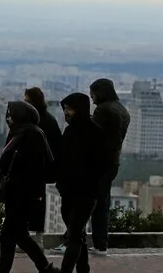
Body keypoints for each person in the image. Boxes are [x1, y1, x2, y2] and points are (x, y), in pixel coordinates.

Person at [0, 101, 60, 273]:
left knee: (8, 236)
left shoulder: (32, 134)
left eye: (11, 114)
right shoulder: (18, 132)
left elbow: (35, 168)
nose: (8, 118)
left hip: (23, 195)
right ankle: (46, 268)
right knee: (19, 235)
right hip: (14, 193)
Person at [56, 93, 108, 273]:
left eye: (70, 109)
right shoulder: (69, 131)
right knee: (78, 235)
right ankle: (83, 268)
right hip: (68, 193)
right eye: (65, 109)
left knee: (73, 236)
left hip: (86, 194)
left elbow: (102, 164)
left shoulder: (95, 133)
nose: (66, 113)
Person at [88, 78, 131, 256]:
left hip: (99, 162)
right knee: (103, 202)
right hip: (113, 162)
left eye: (93, 95)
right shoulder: (122, 109)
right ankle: (101, 243)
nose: (92, 100)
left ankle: (94, 242)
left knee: (92, 203)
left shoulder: (103, 110)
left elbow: (93, 135)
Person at [23, 87, 63, 249]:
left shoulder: (38, 121)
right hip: (40, 169)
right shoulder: (47, 119)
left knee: (33, 203)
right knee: (34, 203)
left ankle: (34, 240)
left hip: (36, 169)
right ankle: (33, 239)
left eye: (26, 101)